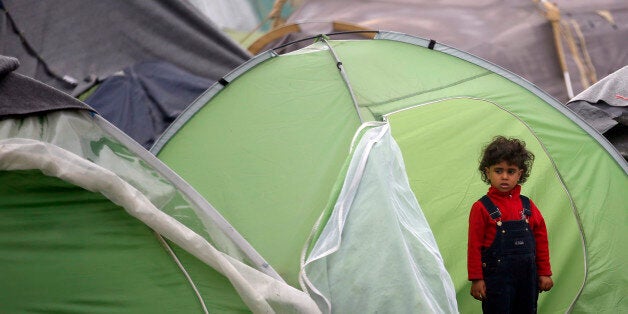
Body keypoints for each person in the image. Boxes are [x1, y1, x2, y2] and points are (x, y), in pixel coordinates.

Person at [467, 136, 553, 313]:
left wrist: (544, 272)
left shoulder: (528, 206)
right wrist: (477, 278)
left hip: (528, 279)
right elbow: (474, 245)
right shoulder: (481, 207)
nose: (504, 177)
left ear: (519, 174)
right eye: (498, 171)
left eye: (511, 171)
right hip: (497, 281)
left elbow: (541, 241)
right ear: (488, 172)